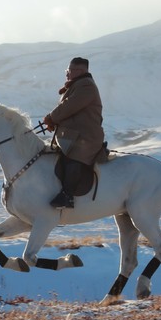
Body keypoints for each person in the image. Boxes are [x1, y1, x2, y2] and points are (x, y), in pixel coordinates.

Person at [43, 57, 105, 209]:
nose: (67, 74)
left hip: (85, 137)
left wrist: (52, 118)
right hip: (74, 135)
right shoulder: (78, 85)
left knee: (74, 157)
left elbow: (69, 106)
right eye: (67, 70)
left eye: (69, 71)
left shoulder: (86, 86)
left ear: (80, 71)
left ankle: (67, 196)